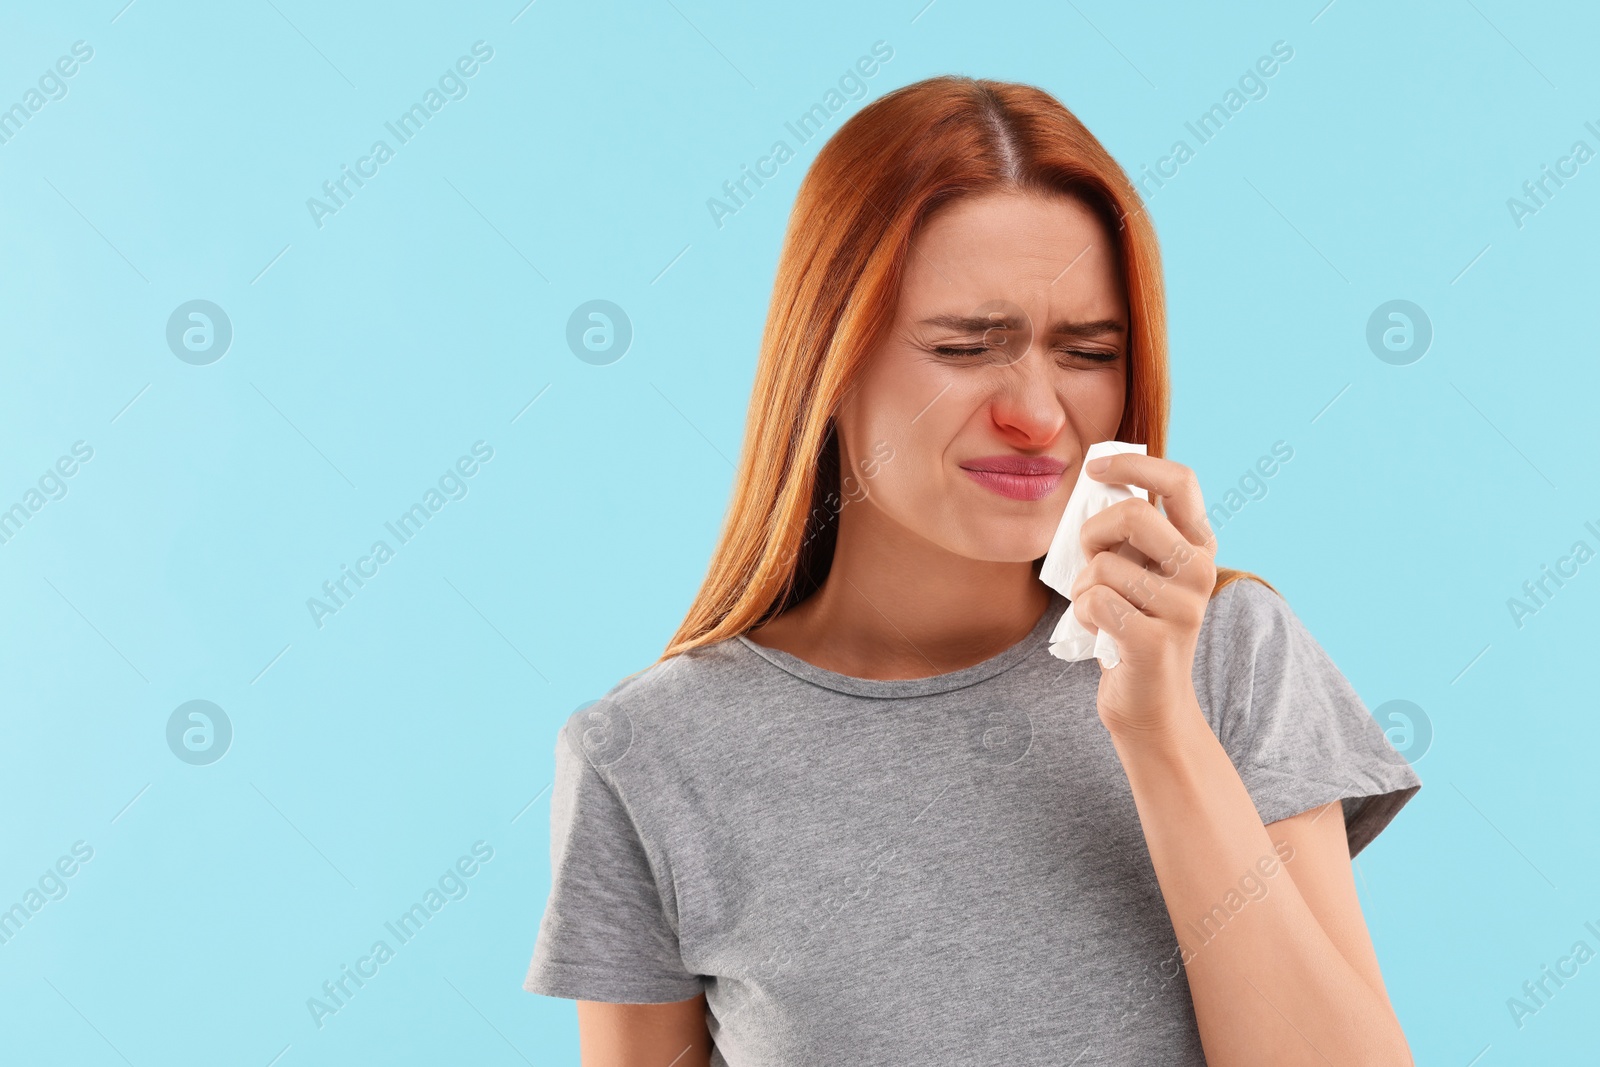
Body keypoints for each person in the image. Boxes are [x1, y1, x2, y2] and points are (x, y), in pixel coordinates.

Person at [524, 74, 1422, 1066]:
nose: (1037, 414)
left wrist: (1161, 729)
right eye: (964, 346)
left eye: (1085, 351)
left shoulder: (1228, 657)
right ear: (827, 358)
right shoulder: (648, 756)